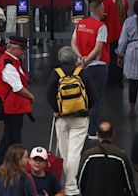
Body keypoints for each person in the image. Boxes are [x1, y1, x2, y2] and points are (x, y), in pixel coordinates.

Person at [45, 47, 97, 196]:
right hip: (80, 118)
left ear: (60, 59)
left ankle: (66, 184)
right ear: (75, 59)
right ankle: (71, 187)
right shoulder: (81, 73)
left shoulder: (57, 74)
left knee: (65, 152)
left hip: (62, 118)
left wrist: (57, 109)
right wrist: (85, 109)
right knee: (75, 153)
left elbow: (48, 92)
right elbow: (93, 95)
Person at [0, 36, 35, 171]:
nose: (23, 52)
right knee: (14, 140)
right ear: (15, 49)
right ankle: (15, 167)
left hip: (14, 107)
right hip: (12, 108)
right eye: (22, 49)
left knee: (8, 139)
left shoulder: (9, 61)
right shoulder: (8, 65)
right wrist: (31, 96)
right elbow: (17, 87)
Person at [71, 0, 110, 139]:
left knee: (83, 97)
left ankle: (80, 128)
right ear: (99, 11)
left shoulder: (80, 23)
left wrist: (80, 57)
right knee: (96, 99)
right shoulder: (101, 26)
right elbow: (98, 48)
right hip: (97, 67)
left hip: (81, 66)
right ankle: (92, 131)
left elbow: (73, 42)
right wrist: (87, 60)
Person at [77, 121, 138, 196]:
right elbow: (129, 183)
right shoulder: (120, 156)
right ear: (113, 134)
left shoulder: (88, 155)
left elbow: (80, 180)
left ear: (97, 134)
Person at [99, 0, 128, 87]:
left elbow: (101, 15)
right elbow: (126, 8)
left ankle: (111, 80)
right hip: (120, 32)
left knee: (109, 57)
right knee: (119, 56)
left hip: (108, 33)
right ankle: (119, 79)